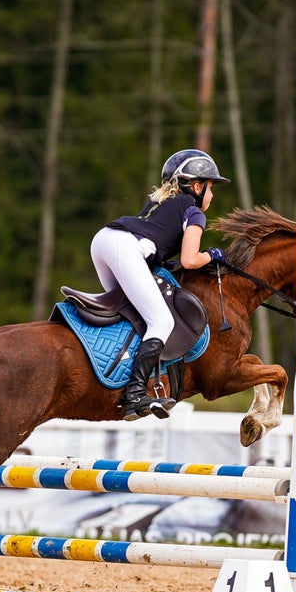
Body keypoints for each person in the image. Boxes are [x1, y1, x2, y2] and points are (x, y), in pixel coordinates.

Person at [91, 148, 231, 421]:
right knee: (161, 322)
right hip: (123, 247)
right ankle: (134, 395)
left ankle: (112, 369)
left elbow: (155, 247)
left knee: (129, 312)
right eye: (211, 187)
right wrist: (212, 255)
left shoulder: (160, 203)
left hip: (103, 241)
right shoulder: (193, 212)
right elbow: (190, 260)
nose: (212, 196)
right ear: (197, 186)